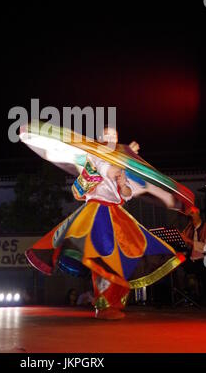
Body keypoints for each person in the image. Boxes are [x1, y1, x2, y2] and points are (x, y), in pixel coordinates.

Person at [25, 126, 186, 320]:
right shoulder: (94, 158)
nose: (111, 139)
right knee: (105, 259)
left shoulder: (119, 163)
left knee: (120, 260)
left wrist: (124, 179)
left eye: (114, 137)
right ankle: (104, 306)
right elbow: (99, 174)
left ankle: (111, 304)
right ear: (100, 139)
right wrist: (123, 161)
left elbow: (126, 194)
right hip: (96, 214)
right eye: (107, 136)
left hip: (115, 214)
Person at [180, 206, 206, 306]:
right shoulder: (188, 228)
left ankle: (205, 299)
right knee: (175, 262)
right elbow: (185, 246)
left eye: (192, 213)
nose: (190, 215)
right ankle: (185, 296)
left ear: (198, 213)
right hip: (193, 260)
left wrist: (189, 241)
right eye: (189, 214)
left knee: (205, 269)